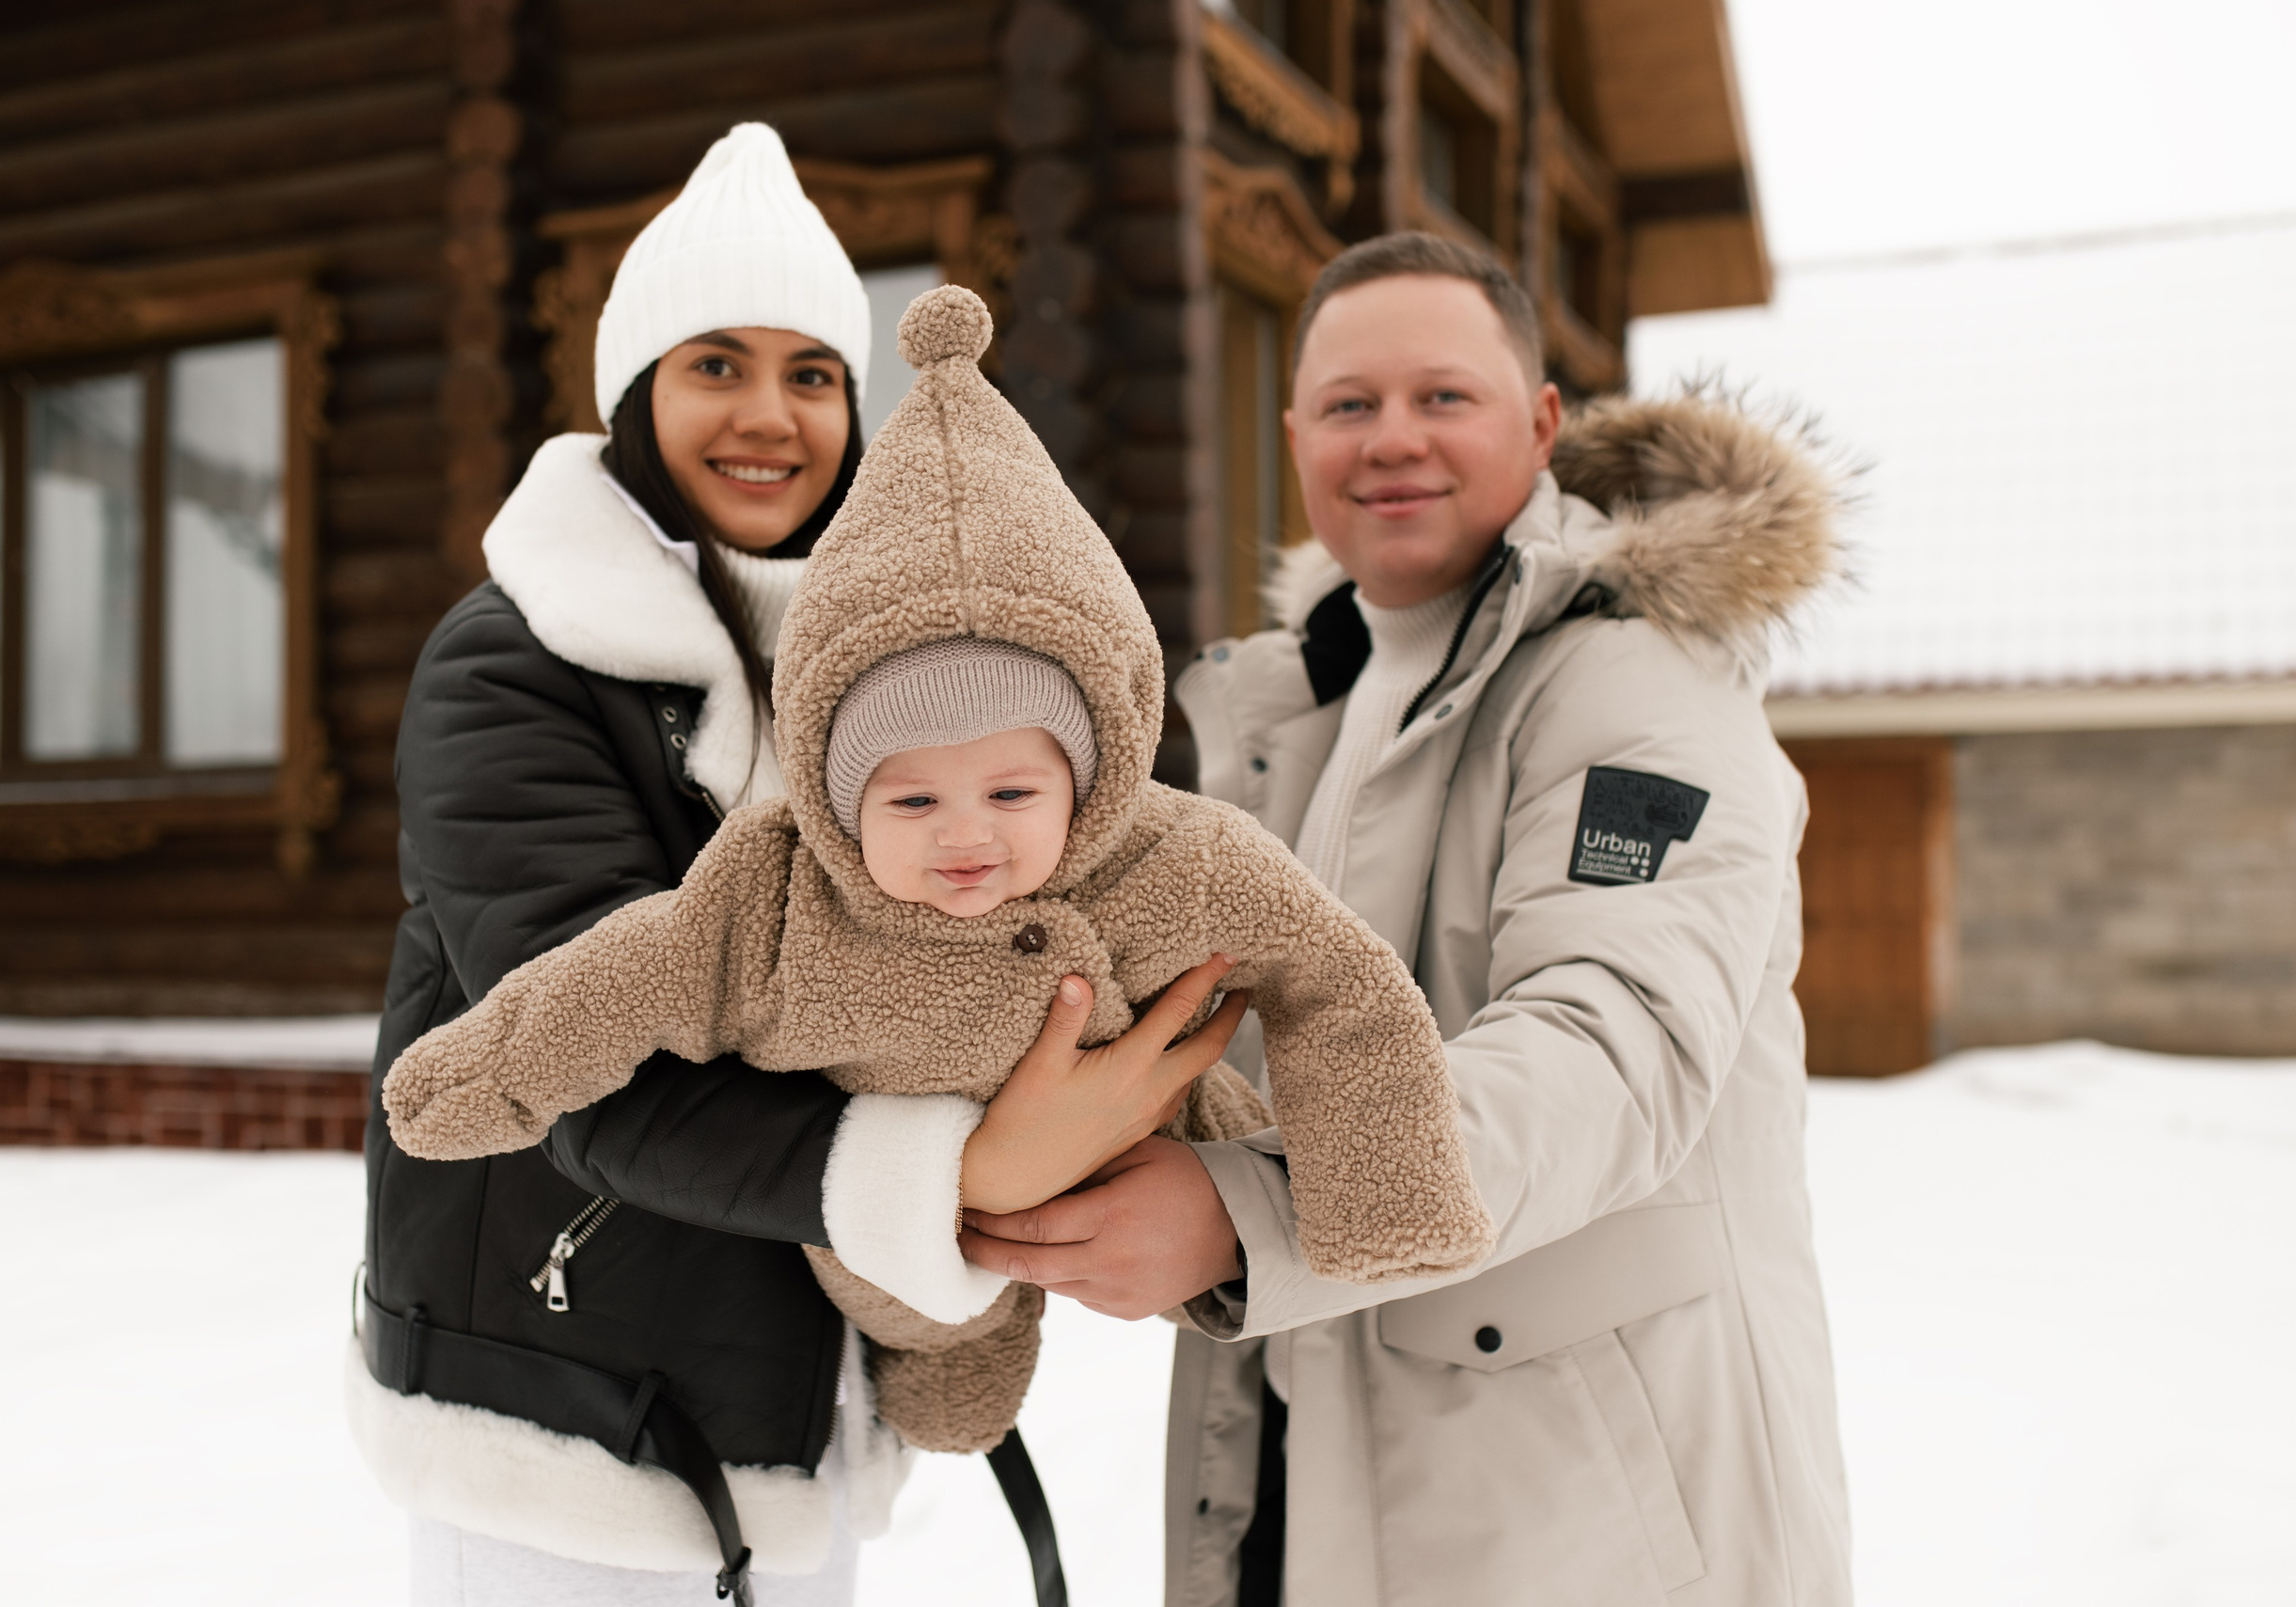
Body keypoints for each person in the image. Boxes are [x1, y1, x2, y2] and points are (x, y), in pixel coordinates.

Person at [377, 285, 1495, 1461]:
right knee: (934, 1333)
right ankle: (959, 1350)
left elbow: (1339, 979)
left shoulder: (1172, 855)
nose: (967, 836)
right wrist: (489, 1072)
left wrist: (1374, 1191)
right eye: (911, 801)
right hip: (596, 1374)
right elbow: (617, 980)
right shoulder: (746, 862)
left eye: (1013, 794)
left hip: (976, 1260)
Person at [351, 125, 1228, 1607]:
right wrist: (960, 1175)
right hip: (565, 1418)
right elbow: (585, 1059)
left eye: (813, 375)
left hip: (798, 1399)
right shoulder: (515, 663)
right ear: (636, 389)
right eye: (718, 364)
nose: (771, 416)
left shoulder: (885, 667)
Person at [962, 231, 1855, 1606]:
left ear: (1542, 425)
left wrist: (1246, 1216)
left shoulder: (1641, 687)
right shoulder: (1290, 710)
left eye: (1443, 395)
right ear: (1294, 436)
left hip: (1592, 1514)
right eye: (1349, 403)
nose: (1392, 437)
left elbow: (1608, 1046)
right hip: (1303, 1456)